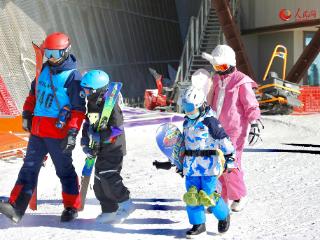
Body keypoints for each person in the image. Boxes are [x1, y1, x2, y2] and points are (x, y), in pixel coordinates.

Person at [0, 32, 86, 223]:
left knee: (64, 170)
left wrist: (72, 132)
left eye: (55, 54)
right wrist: (27, 113)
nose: (52, 59)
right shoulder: (44, 69)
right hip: (38, 131)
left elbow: (79, 110)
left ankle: (71, 206)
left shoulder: (73, 77)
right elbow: (34, 93)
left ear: (65, 52)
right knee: (29, 168)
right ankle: (16, 207)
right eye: (48, 53)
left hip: (58, 133)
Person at [202, 44, 262, 212]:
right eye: (216, 67)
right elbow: (209, 101)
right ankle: (221, 198)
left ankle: (239, 196)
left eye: (222, 66)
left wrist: (255, 123)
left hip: (236, 130)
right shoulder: (215, 80)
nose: (219, 71)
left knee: (231, 163)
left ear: (231, 64)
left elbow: (250, 104)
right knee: (216, 163)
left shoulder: (241, 81)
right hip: (216, 130)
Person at [180, 85, 236, 238]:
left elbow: (224, 140)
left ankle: (224, 215)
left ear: (200, 105)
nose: (188, 111)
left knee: (208, 195)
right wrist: (180, 163)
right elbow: (183, 144)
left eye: (190, 107)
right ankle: (198, 224)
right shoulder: (186, 122)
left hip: (208, 166)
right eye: (185, 106)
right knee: (192, 195)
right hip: (191, 166)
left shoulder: (210, 121)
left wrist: (230, 157)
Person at [80, 70, 133, 223]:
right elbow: (88, 123)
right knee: (98, 181)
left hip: (113, 148)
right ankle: (109, 209)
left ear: (96, 89)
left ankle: (126, 203)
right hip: (100, 148)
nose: (85, 92)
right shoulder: (91, 104)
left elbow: (117, 129)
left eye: (87, 89)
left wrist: (100, 137)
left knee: (109, 176)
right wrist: (85, 140)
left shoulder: (110, 105)